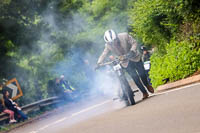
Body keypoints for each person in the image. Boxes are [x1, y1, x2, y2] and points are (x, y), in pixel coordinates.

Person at [97, 29, 154, 100]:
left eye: (114, 41)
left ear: (116, 37)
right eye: (111, 43)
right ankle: (144, 92)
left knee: (142, 73)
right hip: (125, 62)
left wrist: (132, 51)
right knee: (135, 77)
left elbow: (134, 42)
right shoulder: (108, 45)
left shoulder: (124, 36)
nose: (113, 43)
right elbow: (104, 53)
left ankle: (147, 84)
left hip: (134, 57)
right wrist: (99, 63)